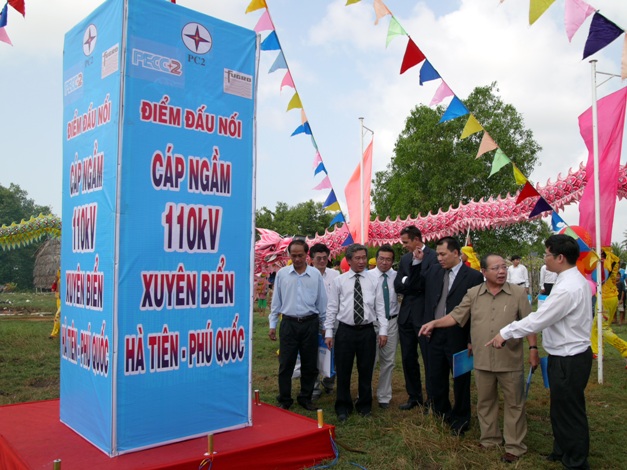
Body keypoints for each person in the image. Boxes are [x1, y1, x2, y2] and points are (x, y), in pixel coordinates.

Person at [486, 234, 593, 470]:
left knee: (570, 410)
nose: (545, 258)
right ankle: (562, 450)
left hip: (569, 358)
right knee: (560, 407)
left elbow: (538, 320)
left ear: (560, 257)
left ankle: (576, 461)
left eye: (547, 254)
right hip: (564, 355)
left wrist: (506, 332)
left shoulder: (568, 288)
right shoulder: (569, 280)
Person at [420, 254, 539, 464]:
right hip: (482, 359)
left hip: (509, 359)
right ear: (483, 272)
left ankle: (514, 446)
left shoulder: (518, 293)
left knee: (514, 404)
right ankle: (490, 439)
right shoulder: (473, 293)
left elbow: (529, 323)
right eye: (496, 268)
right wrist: (434, 323)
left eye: (503, 267)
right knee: (485, 402)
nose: (501, 271)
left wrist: (533, 348)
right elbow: (456, 315)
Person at [422, 236, 484, 435]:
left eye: (443, 254)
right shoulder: (433, 271)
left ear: (456, 253)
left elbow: (476, 312)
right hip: (435, 333)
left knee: (460, 379)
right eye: (437, 254)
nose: (439, 258)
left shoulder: (473, 277)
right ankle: (441, 412)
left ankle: (461, 418)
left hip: (459, 334)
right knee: (436, 375)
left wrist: (471, 339)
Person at [324, 244, 388, 422]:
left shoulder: (374, 280)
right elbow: (332, 308)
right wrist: (329, 332)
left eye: (364, 258)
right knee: (343, 370)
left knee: (366, 370)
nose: (361, 261)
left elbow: (380, 308)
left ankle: (364, 406)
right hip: (345, 331)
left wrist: (383, 331)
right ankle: (343, 406)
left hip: (367, 331)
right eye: (357, 258)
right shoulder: (339, 281)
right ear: (349, 260)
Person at [269, 239, 328, 411]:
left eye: (300, 255)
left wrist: (325, 326)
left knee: (310, 364)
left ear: (306, 255)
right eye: (293, 255)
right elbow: (276, 301)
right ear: (289, 255)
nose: (297, 259)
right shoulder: (282, 274)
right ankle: (284, 398)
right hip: (289, 323)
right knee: (286, 363)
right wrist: (273, 324)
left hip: (310, 323)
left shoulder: (315, 275)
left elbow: (322, 302)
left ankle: (305, 397)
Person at [394, 225, 438, 411]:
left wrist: (411, 279)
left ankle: (433, 398)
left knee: (429, 358)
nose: (403, 245)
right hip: (406, 316)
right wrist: (411, 282)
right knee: (408, 358)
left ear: (417, 239)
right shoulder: (405, 259)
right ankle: (414, 396)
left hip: (425, 316)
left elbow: (427, 284)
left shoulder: (435, 257)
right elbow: (398, 285)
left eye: (406, 242)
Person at [366, 244, 400, 409]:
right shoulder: (367, 276)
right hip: (371, 323)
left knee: (388, 360)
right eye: (381, 259)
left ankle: (384, 396)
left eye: (388, 260)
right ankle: (365, 393)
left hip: (392, 321)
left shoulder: (397, 277)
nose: (384, 262)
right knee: (369, 360)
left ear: (392, 261)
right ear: (376, 259)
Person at [309, 243, 339, 399]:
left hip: (333, 319)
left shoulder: (335, 275)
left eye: (325, 258)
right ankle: (314, 386)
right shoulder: (307, 275)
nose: (322, 261)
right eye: (318, 258)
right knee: (312, 353)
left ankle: (329, 382)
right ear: (311, 259)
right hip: (312, 320)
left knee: (334, 352)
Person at [590, 248, 627, 367]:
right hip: (611, 297)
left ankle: (624, 349)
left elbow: (601, 277)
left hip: (604, 298)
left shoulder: (604, 261)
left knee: (602, 328)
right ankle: (597, 351)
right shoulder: (613, 258)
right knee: (596, 326)